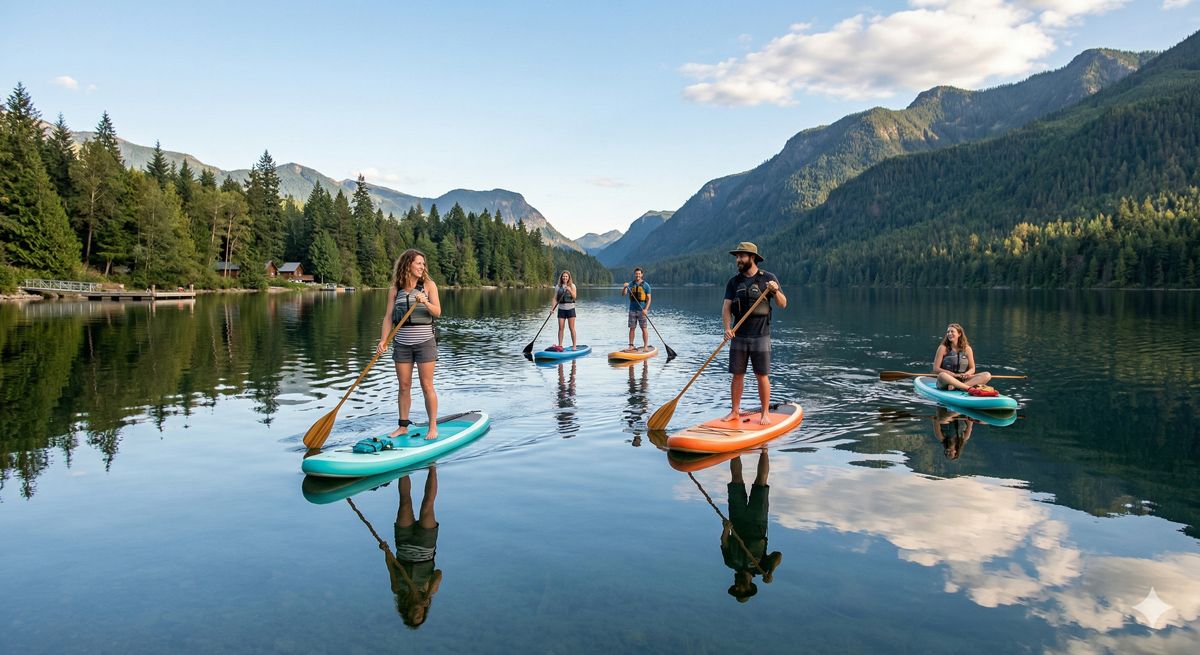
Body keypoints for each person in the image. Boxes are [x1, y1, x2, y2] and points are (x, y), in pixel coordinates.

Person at [377, 249, 442, 440]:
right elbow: (388, 317)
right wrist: (383, 340)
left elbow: (437, 312)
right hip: (402, 344)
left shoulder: (429, 286)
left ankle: (432, 427)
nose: (422, 267)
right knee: (404, 386)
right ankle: (403, 426)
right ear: (408, 265)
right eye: (419, 263)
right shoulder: (395, 290)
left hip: (425, 343)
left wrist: (425, 303)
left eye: (423, 264)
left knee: (426, 385)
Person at [722, 242, 787, 425]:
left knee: (762, 375)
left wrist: (774, 290)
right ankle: (735, 411)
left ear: (752, 258)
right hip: (739, 336)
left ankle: (765, 413)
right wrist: (727, 328)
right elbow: (726, 308)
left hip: (761, 336)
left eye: (741, 256)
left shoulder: (768, 278)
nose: (738, 260)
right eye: (737, 257)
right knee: (737, 375)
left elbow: (783, 303)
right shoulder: (733, 282)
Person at [722, 450, 783, 603]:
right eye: (740, 591)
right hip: (758, 521)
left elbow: (724, 543)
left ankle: (735, 449)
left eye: (735, 589)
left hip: (737, 519)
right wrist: (770, 572)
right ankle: (764, 449)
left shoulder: (730, 563)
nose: (736, 587)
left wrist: (726, 529)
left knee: (736, 479)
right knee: (761, 481)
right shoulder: (760, 567)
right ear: (749, 587)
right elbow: (778, 555)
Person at [388, 466, 443, 628]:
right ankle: (433, 467)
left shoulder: (398, 589)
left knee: (405, 502)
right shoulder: (430, 591)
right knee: (428, 504)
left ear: (407, 612)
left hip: (403, 543)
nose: (418, 613)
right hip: (426, 545)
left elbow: (390, 565)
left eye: (414, 615)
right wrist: (426, 594)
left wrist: (385, 549)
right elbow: (439, 573)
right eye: (420, 615)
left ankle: (403, 467)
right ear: (424, 612)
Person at [933, 323, 992, 392]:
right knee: (942, 375)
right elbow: (936, 368)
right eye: (948, 332)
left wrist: (967, 374)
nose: (949, 333)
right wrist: (950, 373)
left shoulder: (967, 349)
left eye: (952, 331)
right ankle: (967, 388)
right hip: (947, 381)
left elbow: (972, 368)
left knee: (987, 375)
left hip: (962, 380)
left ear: (959, 334)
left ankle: (958, 387)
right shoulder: (942, 348)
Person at [620, 267, 652, 352]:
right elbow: (623, 294)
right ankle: (631, 346)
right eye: (636, 274)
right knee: (632, 328)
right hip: (632, 310)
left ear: (642, 275)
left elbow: (649, 299)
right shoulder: (630, 284)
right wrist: (625, 287)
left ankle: (645, 346)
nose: (637, 275)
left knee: (644, 328)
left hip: (642, 311)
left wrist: (646, 309)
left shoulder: (646, 286)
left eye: (639, 274)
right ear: (635, 274)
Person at [551, 270, 578, 350]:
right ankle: (560, 345)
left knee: (571, 328)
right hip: (561, 310)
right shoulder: (558, 287)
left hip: (570, 309)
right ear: (561, 277)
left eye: (566, 276)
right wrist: (552, 309)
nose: (565, 277)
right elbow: (555, 299)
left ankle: (574, 346)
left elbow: (575, 297)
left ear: (569, 277)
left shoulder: (572, 286)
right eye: (563, 276)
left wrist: (570, 290)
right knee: (561, 328)